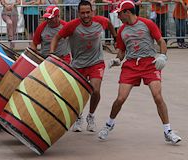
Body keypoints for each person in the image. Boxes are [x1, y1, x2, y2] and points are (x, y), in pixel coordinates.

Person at [98, 0, 182, 144]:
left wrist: (163, 56)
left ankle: (168, 131)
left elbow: (161, 41)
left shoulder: (147, 24)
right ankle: (109, 124)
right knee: (120, 99)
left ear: (127, 12)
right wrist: (117, 60)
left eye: (119, 13)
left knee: (157, 96)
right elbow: (121, 52)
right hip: (130, 65)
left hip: (149, 63)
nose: (118, 16)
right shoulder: (122, 31)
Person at [50, 0, 117, 132]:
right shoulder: (72, 26)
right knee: (76, 93)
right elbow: (56, 38)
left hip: (96, 62)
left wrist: (115, 37)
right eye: (82, 13)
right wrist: (52, 53)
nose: (86, 15)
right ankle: (78, 116)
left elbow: (109, 24)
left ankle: (91, 116)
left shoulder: (100, 21)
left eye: (88, 12)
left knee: (95, 90)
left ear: (93, 12)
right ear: (78, 13)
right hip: (78, 64)